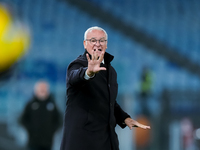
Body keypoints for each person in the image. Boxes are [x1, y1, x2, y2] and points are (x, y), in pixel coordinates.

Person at [60, 26, 150, 150]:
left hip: (106, 140)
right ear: (85, 44)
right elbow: (75, 77)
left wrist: (125, 118)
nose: (98, 43)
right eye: (93, 40)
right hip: (83, 141)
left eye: (101, 40)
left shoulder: (111, 71)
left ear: (106, 44)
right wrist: (89, 72)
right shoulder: (77, 64)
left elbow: (109, 102)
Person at [20, 81, 61, 150]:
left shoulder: (52, 105)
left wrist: (51, 131)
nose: (43, 90)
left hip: (48, 142)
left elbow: (59, 120)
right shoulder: (30, 104)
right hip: (33, 142)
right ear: (36, 90)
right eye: (41, 89)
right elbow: (23, 119)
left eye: (44, 89)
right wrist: (30, 130)